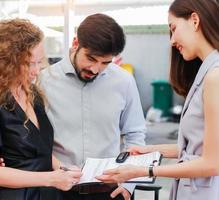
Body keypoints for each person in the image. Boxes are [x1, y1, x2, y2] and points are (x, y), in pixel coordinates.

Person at [97, 0, 219, 199]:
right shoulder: (212, 71)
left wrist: (144, 171)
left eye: (173, 29)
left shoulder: (217, 76)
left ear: (194, 20)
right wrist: (149, 151)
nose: (172, 40)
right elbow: (193, 148)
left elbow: (211, 163)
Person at [0, 18, 82, 200]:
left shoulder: (33, 93)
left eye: (39, 61)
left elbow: (41, 153)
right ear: (6, 61)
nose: (36, 70)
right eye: (28, 63)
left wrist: (63, 170)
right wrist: (51, 179)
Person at [38, 13, 146, 200]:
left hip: (109, 192)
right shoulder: (44, 82)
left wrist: (129, 185)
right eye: (91, 58)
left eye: (105, 63)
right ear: (75, 43)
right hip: (56, 192)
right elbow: (32, 139)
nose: (96, 69)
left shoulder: (124, 82)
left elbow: (135, 134)